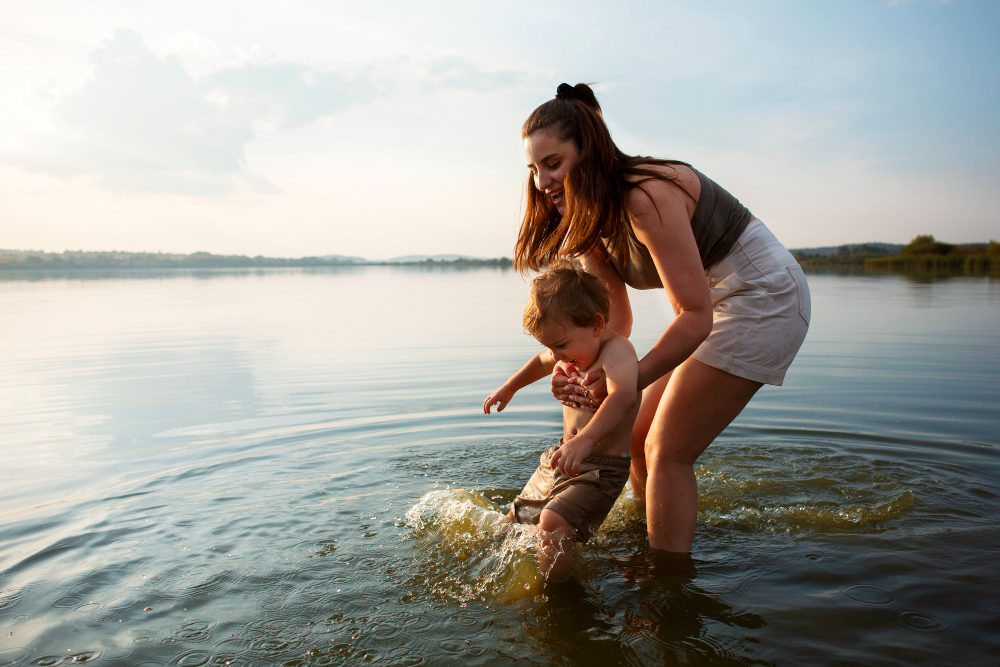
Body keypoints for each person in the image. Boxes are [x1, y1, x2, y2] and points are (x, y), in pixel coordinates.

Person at [514, 83, 811, 554]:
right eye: (534, 168)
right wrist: (576, 372)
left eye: (553, 163)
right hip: (712, 305)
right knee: (632, 435)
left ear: (588, 152)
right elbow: (613, 324)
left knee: (666, 450)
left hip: (763, 296)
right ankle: (644, 532)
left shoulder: (645, 196)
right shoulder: (586, 217)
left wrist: (624, 385)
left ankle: (666, 581)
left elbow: (694, 316)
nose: (543, 181)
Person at [483, 264, 640, 581]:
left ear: (596, 324)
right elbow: (539, 363)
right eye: (550, 346)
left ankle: (555, 593)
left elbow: (623, 397)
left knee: (553, 521)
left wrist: (585, 440)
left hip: (601, 467)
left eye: (561, 345)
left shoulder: (616, 350)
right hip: (561, 458)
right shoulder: (571, 347)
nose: (555, 355)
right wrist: (510, 387)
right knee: (513, 520)